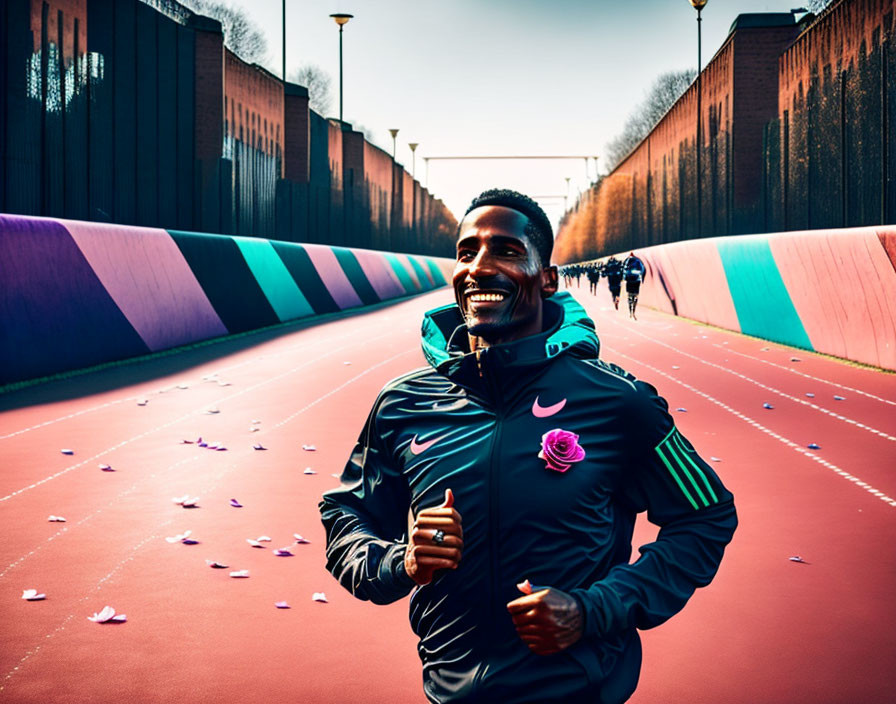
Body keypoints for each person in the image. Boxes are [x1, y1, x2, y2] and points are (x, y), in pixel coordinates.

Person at [319, 188, 737, 704]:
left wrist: (593, 610)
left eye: (507, 251)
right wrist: (401, 563)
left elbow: (707, 515)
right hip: (446, 692)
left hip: (580, 691)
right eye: (467, 252)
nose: (480, 268)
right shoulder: (401, 404)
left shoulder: (618, 400)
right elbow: (345, 515)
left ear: (547, 277)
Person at [622, 252, 646, 320]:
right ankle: (633, 312)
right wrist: (642, 279)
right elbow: (643, 269)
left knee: (630, 296)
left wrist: (624, 278)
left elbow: (623, 270)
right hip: (636, 281)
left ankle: (630, 312)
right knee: (635, 296)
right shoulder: (638, 261)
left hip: (629, 281)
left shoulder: (627, 261)